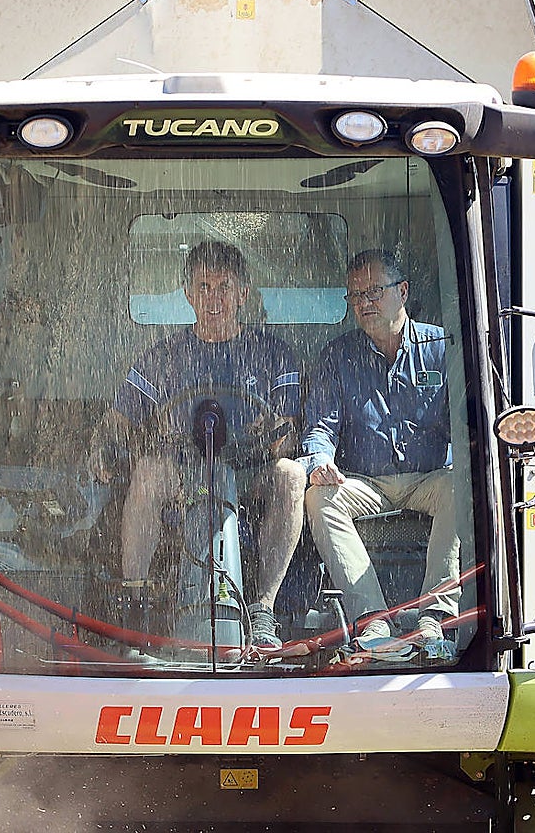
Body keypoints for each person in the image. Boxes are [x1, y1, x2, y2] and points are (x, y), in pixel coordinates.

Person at [93, 240, 305, 650]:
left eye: (224, 286)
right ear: (188, 295)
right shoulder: (163, 356)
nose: (214, 297)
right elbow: (117, 421)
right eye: (203, 287)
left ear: (243, 293)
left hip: (250, 475)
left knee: (292, 475)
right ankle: (134, 604)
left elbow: (290, 430)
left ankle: (263, 610)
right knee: (148, 471)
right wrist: (102, 446)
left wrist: (279, 434)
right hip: (182, 476)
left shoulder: (274, 353)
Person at [301, 249, 460, 659]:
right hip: (364, 481)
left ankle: (436, 618)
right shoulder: (337, 355)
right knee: (319, 497)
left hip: (429, 478)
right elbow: (321, 426)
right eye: (355, 296)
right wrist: (320, 461)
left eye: (374, 291)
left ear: (402, 291)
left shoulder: (441, 347)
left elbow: (465, 424)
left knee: (462, 485)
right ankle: (373, 620)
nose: (365, 303)